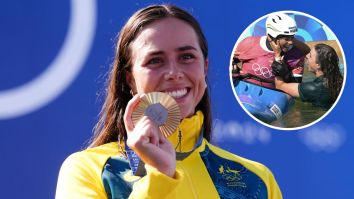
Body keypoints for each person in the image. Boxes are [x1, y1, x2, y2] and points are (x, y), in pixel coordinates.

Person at [56, 5, 282, 198]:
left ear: (205, 67)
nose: (174, 72)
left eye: (186, 57)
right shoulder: (89, 170)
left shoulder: (257, 180)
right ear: (130, 79)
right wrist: (158, 176)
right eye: (155, 60)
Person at [233, 12, 310, 89]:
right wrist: (233, 68)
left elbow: (296, 89)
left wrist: (285, 73)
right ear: (271, 37)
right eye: (286, 38)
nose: (291, 42)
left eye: (292, 37)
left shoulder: (296, 56)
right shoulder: (249, 43)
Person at [275, 43, 343, 109]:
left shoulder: (313, 89)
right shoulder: (339, 80)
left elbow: (279, 85)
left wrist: (277, 57)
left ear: (318, 65)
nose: (306, 56)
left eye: (310, 55)